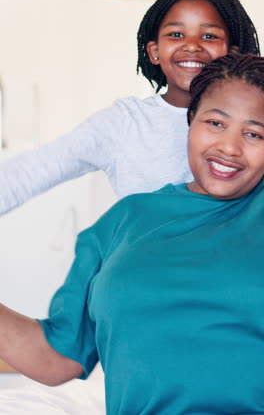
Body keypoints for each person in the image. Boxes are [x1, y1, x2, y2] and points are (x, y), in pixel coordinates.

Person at [1, 52, 264, 415]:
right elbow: (58, 359)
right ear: (190, 121)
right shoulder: (126, 219)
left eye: (254, 133)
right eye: (216, 123)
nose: (229, 147)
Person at [0, 0, 260, 215]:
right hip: (147, 263)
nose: (192, 45)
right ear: (154, 51)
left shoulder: (258, 117)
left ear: (233, 52)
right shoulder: (123, 123)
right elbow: (31, 172)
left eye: (209, 36)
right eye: (176, 35)